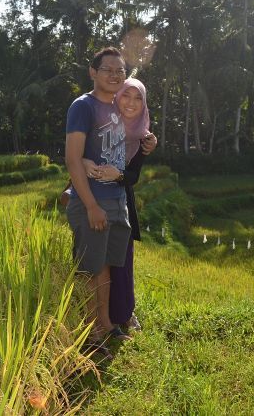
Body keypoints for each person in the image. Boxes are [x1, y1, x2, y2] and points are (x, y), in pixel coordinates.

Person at [65, 47, 132, 350]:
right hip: (93, 201)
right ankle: (88, 334)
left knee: (105, 266)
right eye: (108, 69)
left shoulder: (121, 106)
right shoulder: (83, 106)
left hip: (117, 200)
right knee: (89, 268)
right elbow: (73, 158)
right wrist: (91, 205)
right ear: (93, 72)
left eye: (121, 70)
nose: (116, 75)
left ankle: (104, 324)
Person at [84, 79, 156, 332]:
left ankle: (123, 314)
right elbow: (79, 155)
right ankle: (98, 321)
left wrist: (119, 175)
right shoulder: (101, 123)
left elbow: (134, 175)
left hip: (122, 200)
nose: (131, 103)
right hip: (93, 198)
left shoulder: (143, 136)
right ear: (117, 97)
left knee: (122, 262)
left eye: (138, 98)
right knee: (97, 261)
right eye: (127, 96)